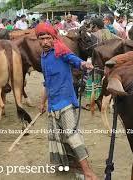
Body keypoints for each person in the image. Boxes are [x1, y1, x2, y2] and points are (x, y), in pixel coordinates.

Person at [36, 23, 98, 180]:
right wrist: (42, 102)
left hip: (66, 101)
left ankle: (88, 171)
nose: (44, 42)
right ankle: (73, 163)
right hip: (52, 103)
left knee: (71, 135)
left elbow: (75, 60)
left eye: (47, 38)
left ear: (53, 38)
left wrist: (85, 64)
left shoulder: (60, 52)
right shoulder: (43, 58)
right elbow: (47, 82)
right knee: (59, 136)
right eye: (41, 39)